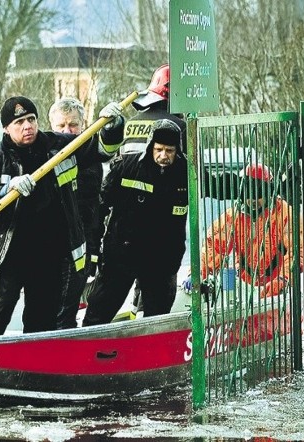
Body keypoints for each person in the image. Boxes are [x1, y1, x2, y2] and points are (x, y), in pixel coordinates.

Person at [0, 95, 124, 336]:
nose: (27, 126)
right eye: (19, 122)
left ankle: (34, 367)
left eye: (31, 119)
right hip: (8, 253)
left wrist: (113, 127)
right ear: (6, 129)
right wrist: (4, 191)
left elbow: (103, 150)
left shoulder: (60, 146)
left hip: (48, 254)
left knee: (42, 318)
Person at [82, 119, 188, 326]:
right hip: (121, 254)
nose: (163, 156)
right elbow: (100, 206)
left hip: (162, 261)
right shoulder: (127, 166)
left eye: (169, 150)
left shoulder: (187, 173)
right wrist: (93, 247)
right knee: (99, 311)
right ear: (150, 147)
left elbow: (215, 184)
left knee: (156, 320)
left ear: (178, 150)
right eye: (158, 149)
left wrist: (247, 184)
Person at [121, 63, 188, 315]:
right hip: (164, 219)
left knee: (137, 278)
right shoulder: (179, 128)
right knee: (160, 291)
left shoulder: (131, 123)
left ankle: (136, 312)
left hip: (128, 217)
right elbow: (190, 173)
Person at [199, 163, 304, 298]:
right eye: (249, 194)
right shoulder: (233, 216)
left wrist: (283, 279)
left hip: (277, 289)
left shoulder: (284, 214)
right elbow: (213, 246)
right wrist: (197, 275)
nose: (253, 200)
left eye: (259, 194)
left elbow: (298, 250)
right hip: (243, 288)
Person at [48, 97, 104, 329]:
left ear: (83, 125)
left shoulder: (91, 159)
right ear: (52, 126)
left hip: (80, 244)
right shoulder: (43, 155)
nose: (67, 131)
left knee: (67, 308)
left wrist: (92, 251)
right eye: (61, 126)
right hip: (49, 244)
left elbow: (93, 211)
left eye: (73, 125)